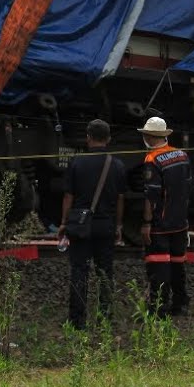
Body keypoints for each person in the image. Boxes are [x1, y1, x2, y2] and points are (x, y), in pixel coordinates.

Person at [58, 119, 127, 330]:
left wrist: (64, 223)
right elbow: (120, 199)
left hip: (81, 225)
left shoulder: (77, 163)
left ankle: (77, 321)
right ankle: (105, 318)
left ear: (88, 138)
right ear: (109, 139)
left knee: (79, 270)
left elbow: (68, 196)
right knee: (105, 272)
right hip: (105, 224)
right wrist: (118, 225)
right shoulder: (117, 165)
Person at [139, 116, 191, 317]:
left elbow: (151, 195)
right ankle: (180, 304)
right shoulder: (182, 155)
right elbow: (188, 186)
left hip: (161, 224)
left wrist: (146, 223)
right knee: (178, 264)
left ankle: (158, 309)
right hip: (180, 222)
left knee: (159, 265)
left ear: (150, 136)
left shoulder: (152, 159)